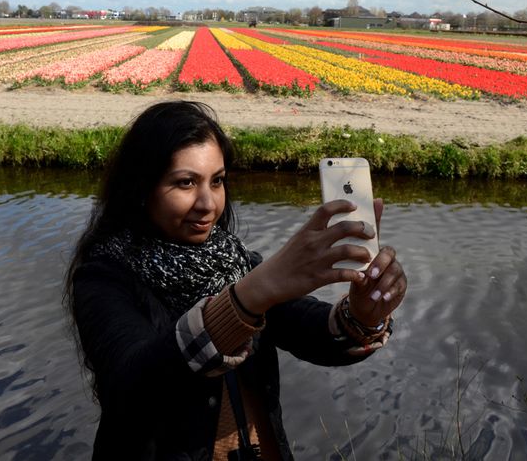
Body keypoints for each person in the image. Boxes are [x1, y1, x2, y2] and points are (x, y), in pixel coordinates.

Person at [65, 100, 407, 461]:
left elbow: (308, 328)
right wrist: (251, 296)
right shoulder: (104, 276)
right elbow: (133, 384)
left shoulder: (232, 261)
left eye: (218, 181)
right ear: (141, 189)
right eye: (185, 183)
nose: (208, 203)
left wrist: (362, 315)